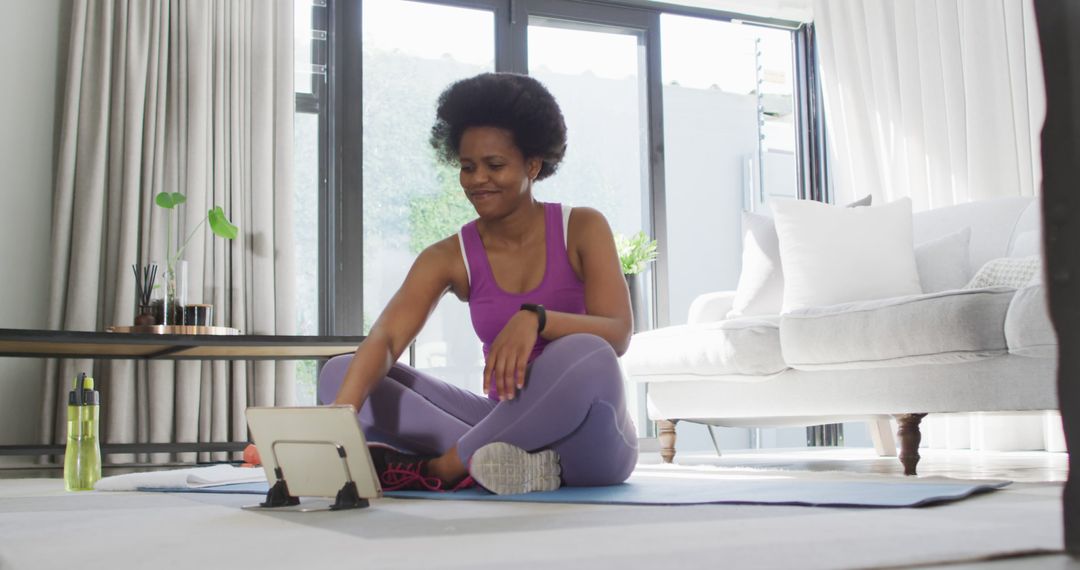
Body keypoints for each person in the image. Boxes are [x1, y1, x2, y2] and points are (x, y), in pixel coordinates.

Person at [319, 72, 638, 495]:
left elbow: (617, 334)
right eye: (467, 167)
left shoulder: (582, 227)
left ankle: (447, 466)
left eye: (495, 165)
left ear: (533, 165)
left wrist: (537, 320)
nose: (477, 180)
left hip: (590, 442)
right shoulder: (450, 256)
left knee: (588, 352)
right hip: (501, 427)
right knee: (340, 373)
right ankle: (506, 464)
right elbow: (387, 337)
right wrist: (340, 420)